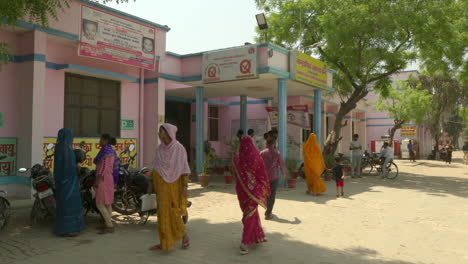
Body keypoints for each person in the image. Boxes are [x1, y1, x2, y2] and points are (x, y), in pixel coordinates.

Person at [148, 124, 190, 251]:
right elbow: (155, 167)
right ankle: (164, 242)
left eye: (161, 131)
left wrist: (184, 187)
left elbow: (184, 169)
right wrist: (151, 183)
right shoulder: (159, 149)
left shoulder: (179, 148)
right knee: (162, 214)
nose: (158, 134)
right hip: (161, 186)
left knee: (173, 213)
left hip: (174, 186)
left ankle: (185, 236)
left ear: (168, 133)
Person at [233, 136, 270, 255]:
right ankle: (245, 242)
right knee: (250, 214)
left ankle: (251, 238)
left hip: (241, 190)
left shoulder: (236, 157)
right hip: (253, 190)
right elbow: (262, 173)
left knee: (248, 214)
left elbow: (235, 173)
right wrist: (264, 186)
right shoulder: (256, 156)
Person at [53, 128, 86, 237]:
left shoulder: (58, 147)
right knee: (71, 206)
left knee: (62, 206)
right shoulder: (66, 149)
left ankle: (62, 228)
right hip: (69, 182)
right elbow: (69, 166)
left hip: (61, 182)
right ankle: (71, 229)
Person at [94, 134, 119, 234]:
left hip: (103, 179)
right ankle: (107, 223)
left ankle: (109, 225)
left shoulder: (104, 151)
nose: (99, 141)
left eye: (100, 139)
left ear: (105, 140)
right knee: (107, 202)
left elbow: (102, 168)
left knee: (99, 203)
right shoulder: (112, 151)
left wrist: (97, 180)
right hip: (110, 179)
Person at [260, 132, 286, 220]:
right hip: (273, 177)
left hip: (264, 178)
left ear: (266, 144)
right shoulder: (277, 153)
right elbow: (281, 164)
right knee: (272, 195)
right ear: (274, 144)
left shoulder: (262, 153)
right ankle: (268, 213)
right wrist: (283, 173)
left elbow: (257, 165)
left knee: (266, 194)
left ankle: (268, 210)